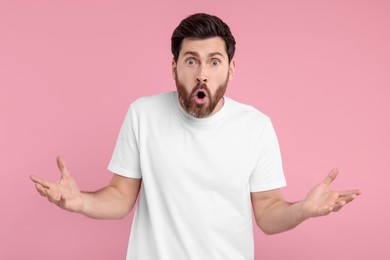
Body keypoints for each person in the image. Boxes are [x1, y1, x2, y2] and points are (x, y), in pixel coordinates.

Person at [30, 13, 361, 260]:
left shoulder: (255, 126)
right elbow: (120, 196)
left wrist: (303, 209)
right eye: (191, 61)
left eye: (214, 62)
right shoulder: (143, 114)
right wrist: (79, 202)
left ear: (230, 69)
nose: (202, 73)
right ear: (174, 66)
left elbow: (269, 213)